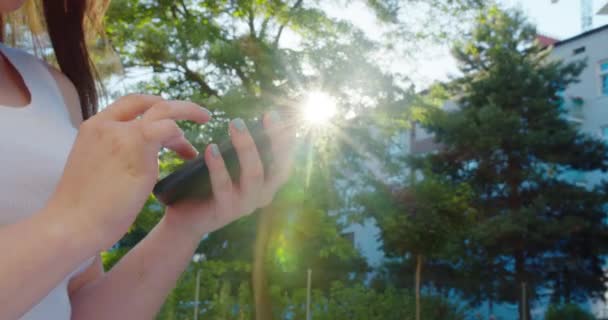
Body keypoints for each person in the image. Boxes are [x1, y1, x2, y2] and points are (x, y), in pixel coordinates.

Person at [0, 1, 294, 319]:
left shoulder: (53, 88)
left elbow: (76, 307)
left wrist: (183, 226)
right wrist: (74, 220)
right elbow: (72, 223)